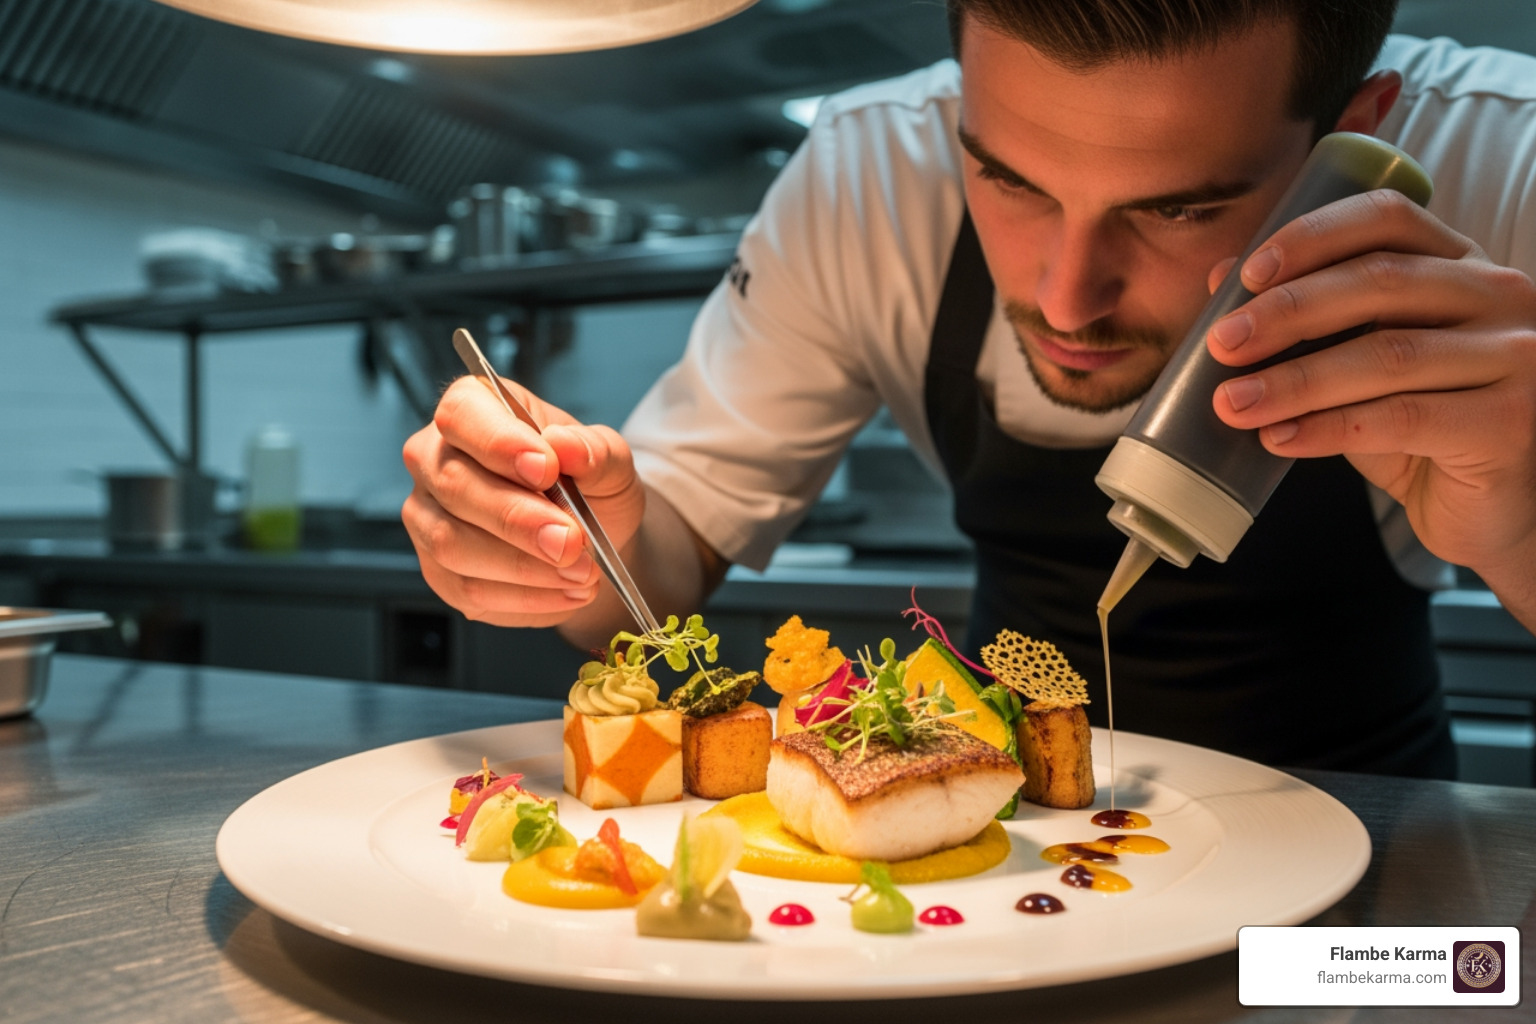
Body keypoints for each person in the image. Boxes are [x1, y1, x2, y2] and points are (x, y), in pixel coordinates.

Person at [402, 0, 1536, 778]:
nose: (1068, 298)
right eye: (1009, 180)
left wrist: (1519, 525)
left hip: (1380, 863)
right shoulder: (866, 175)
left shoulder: (1511, 172)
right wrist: (560, 540)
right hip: (1021, 874)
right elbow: (656, 569)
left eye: (1178, 208)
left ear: (1355, 136)